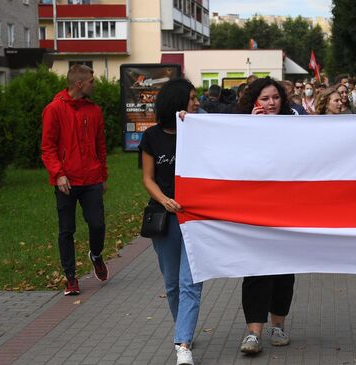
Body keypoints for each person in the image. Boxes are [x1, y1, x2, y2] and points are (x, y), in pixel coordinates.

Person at [139, 78, 203, 365]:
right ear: (177, 100)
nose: (197, 102)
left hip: (196, 217)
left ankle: (183, 344)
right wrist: (164, 199)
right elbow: (147, 178)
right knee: (172, 284)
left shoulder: (198, 130)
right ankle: (184, 329)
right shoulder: (152, 136)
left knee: (191, 282)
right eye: (192, 98)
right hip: (164, 218)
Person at [235, 77, 295, 354]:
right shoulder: (241, 123)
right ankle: (253, 333)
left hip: (286, 209)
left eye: (275, 98)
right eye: (265, 98)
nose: (271, 103)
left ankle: (278, 326)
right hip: (254, 208)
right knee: (256, 269)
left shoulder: (295, 123)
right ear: (255, 101)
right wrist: (250, 127)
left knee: (284, 269)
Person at [41, 64, 109, 296]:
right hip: (66, 181)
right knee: (66, 230)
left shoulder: (94, 110)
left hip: (91, 178)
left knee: (97, 224)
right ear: (79, 84)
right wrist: (58, 173)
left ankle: (96, 254)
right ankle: (71, 277)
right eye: (91, 81)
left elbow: (101, 145)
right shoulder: (54, 109)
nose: (94, 84)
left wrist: (103, 176)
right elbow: (47, 147)